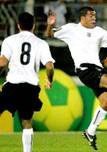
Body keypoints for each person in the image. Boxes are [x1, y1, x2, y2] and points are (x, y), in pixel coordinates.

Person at [45, 6, 107, 150]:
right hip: (85, 69)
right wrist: (50, 25)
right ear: (83, 17)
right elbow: (50, 35)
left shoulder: (99, 32)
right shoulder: (71, 29)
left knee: (106, 102)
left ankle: (90, 131)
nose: (94, 18)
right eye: (91, 15)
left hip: (97, 69)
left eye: (95, 15)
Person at [0, 12, 55, 152]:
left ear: (18, 25)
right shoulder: (41, 43)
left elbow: (2, 63)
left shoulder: (9, 40)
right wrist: (49, 80)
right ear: (34, 26)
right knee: (26, 122)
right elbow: (49, 66)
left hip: (12, 85)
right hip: (30, 87)